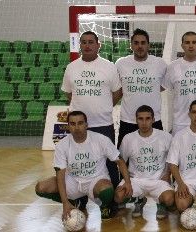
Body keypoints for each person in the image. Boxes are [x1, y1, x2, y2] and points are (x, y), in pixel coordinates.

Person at [61, 31, 122, 209]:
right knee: (78, 162)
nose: (87, 45)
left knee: (110, 162)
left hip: (103, 124)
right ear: (79, 45)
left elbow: (118, 92)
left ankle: (110, 202)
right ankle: (80, 198)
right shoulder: (71, 67)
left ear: (98, 45)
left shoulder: (109, 66)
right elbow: (68, 94)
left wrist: (103, 107)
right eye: (84, 42)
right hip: (79, 127)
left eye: (91, 42)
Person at [34, 111, 132, 220]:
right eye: (72, 124)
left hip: (95, 180)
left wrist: (127, 182)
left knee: (106, 190)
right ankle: (73, 201)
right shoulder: (62, 145)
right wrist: (65, 202)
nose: (77, 127)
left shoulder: (100, 140)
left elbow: (120, 161)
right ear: (68, 126)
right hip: (73, 181)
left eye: (80, 123)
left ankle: (103, 206)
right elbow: (60, 175)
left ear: (86, 125)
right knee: (40, 187)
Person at [114, 105, 175, 219]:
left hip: (158, 180)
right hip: (136, 180)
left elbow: (173, 159)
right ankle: (138, 200)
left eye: (148, 118)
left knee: (169, 200)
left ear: (153, 120)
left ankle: (160, 204)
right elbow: (121, 161)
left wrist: (167, 174)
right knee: (118, 196)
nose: (144, 122)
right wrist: (127, 182)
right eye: (140, 119)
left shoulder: (165, 137)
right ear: (136, 120)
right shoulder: (128, 138)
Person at [115, 28, 167, 148]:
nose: (140, 46)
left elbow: (163, 85)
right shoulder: (120, 63)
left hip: (153, 120)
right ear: (131, 45)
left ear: (148, 45)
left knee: (156, 156)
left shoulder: (160, 64)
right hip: (128, 120)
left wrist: (148, 89)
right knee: (124, 158)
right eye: (136, 43)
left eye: (143, 43)